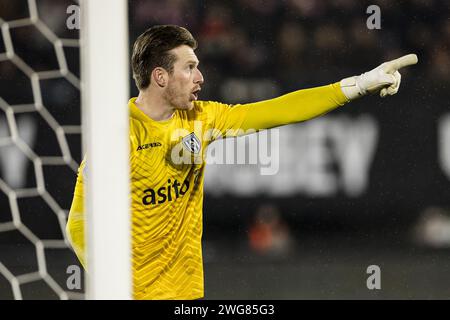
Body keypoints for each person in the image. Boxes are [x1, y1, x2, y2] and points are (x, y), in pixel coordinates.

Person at [66, 25, 417, 300]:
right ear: (161, 76)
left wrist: (357, 85)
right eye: (189, 68)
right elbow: (78, 225)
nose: (200, 77)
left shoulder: (200, 118)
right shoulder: (118, 136)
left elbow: (275, 110)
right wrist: (113, 286)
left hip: (188, 291)